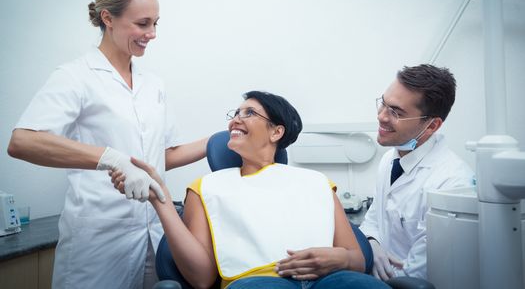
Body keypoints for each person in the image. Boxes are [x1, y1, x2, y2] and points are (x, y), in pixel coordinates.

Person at [7, 0, 207, 289]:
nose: (152, 34)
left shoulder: (152, 84)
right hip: (98, 242)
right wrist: (111, 158)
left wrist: (217, 142)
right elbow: (23, 141)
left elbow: (161, 156)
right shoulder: (75, 76)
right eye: (142, 24)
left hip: (152, 236)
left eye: (156, 23)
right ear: (107, 18)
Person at [111, 91, 389, 289]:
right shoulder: (206, 188)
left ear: (276, 132)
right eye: (235, 114)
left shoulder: (316, 182)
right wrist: (161, 201)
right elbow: (201, 279)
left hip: (332, 279)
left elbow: (356, 259)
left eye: (249, 113)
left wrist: (340, 257)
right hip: (258, 282)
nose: (235, 120)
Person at [359, 64, 474, 280]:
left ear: (431, 126)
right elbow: (373, 220)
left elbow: (419, 272)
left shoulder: (451, 184)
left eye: (395, 112)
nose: (381, 117)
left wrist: (365, 265)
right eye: (383, 104)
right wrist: (372, 245)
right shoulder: (390, 159)